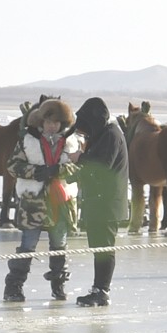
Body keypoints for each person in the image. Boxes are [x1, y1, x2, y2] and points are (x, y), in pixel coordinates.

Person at [3, 97, 80, 303]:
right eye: (48, 122)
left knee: (59, 245)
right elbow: (12, 166)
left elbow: (79, 167)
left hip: (61, 201)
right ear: (41, 123)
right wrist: (38, 172)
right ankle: (14, 287)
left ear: (62, 124)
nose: (52, 126)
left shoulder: (72, 143)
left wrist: (60, 169)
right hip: (33, 203)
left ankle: (58, 285)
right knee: (28, 245)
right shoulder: (27, 142)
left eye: (56, 123)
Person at [71, 97, 130, 307]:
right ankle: (98, 288)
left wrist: (80, 159)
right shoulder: (104, 134)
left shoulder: (112, 135)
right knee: (99, 249)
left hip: (107, 204)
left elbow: (103, 165)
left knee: (105, 249)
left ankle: (102, 290)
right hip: (100, 202)